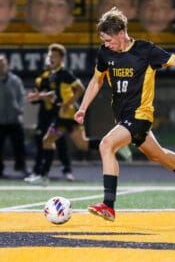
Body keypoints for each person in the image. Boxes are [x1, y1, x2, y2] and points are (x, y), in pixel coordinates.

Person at [74, 7, 175, 221]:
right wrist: (83, 108)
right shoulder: (105, 53)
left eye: (109, 39)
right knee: (158, 155)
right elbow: (97, 80)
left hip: (141, 115)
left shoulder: (145, 50)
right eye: (103, 40)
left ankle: (108, 205)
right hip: (123, 118)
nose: (106, 44)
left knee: (106, 144)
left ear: (121, 33)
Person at [26, 43, 131, 185]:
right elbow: (54, 95)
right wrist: (39, 97)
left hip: (68, 113)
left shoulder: (65, 73)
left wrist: (67, 104)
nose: (51, 59)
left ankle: (43, 176)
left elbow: (80, 89)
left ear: (62, 59)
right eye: (50, 56)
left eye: (55, 57)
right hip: (65, 115)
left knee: (48, 140)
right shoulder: (53, 74)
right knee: (81, 144)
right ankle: (116, 144)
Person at [24, 58, 75, 182]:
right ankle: (38, 171)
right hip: (45, 117)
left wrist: (48, 97)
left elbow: (65, 94)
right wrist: (39, 97)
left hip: (58, 114)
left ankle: (66, 170)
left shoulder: (61, 77)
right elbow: (34, 99)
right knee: (42, 142)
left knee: (60, 142)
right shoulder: (41, 79)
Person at [0, 55, 28, 178]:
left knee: (19, 146)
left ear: (7, 64)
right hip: (0, 120)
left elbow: (22, 96)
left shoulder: (15, 80)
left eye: (2, 63)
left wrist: (19, 109)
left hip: (14, 119)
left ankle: (21, 167)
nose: (1, 66)